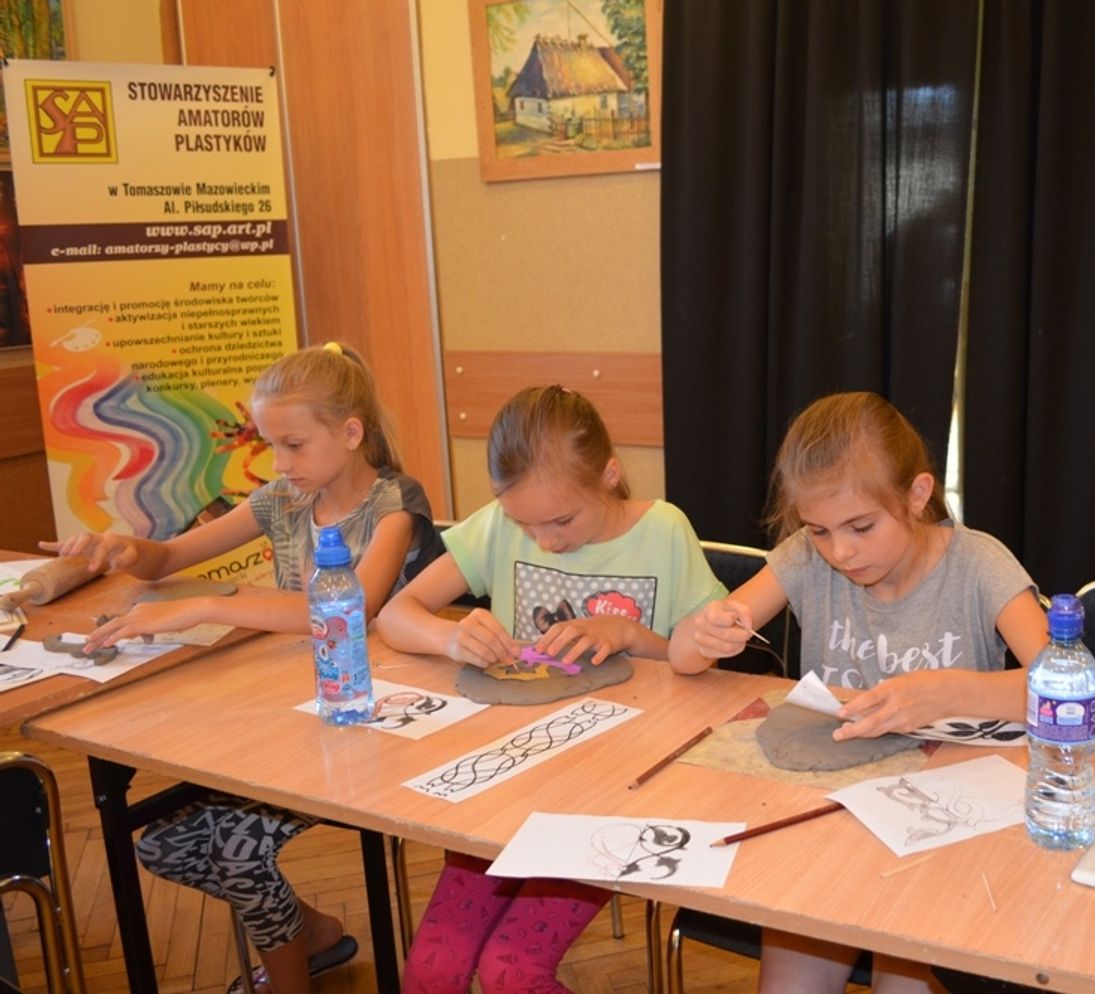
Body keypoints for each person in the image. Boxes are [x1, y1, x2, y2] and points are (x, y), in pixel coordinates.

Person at [44, 341, 444, 994]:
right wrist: (124, 549)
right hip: (291, 712)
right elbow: (169, 557)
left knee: (236, 849)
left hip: (369, 722)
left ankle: (289, 979)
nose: (279, 464)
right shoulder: (282, 499)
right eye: (272, 446)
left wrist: (209, 604)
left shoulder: (394, 505)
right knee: (162, 845)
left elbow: (353, 608)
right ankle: (310, 934)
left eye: (294, 445)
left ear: (350, 434)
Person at [668, 391, 1050, 994]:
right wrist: (703, 634)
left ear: (917, 495)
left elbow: (1070, 692)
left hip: (942, 827)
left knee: (904, 974)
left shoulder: (979, 564)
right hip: (828, 813)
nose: (840, 551)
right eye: (819, 530)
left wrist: (950, 691)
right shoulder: (806, 559)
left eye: (861, 527)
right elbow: (682, 659)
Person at [375, 385, 724, 994]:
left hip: (612, 797)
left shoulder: (664, 531)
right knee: (432, 970)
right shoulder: (496, 528)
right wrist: (451, 639)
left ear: (609, 475)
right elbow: (394, 615)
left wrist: (627, 633)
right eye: (523, 523)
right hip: (506, 782)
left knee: (511, 973)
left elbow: (701, 662)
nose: (546, 541)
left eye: (562, 521)